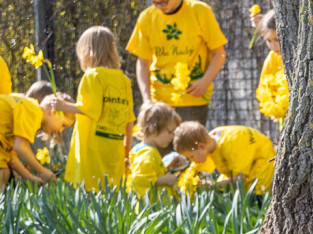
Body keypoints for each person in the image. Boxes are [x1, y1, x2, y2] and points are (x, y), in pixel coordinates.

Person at [54, 27, 135, 191]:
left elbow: (89, 108)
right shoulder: (123, 80)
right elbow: (129, 120)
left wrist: (62, 106)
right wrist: (127, 150)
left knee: (90, 191)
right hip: (114, 146)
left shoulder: (92, 76)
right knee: (111, 192)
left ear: (87, 52)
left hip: (92, 148)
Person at [127, 0, 227, 130]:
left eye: (163, 2)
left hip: (192, 99)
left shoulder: (200, 11)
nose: (159, 6)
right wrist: (147, 100)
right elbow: (142, 62)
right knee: (158, 150)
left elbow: (219, 54)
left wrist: (205, 82)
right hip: (159, 102)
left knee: (188, 149)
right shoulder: (146, 17)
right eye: (155, 2)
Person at [173, 121, 275, 194]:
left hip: (262, 158)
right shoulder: (210, 142)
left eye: (191, 157)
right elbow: (195, 168)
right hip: (241, 163)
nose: (192, 161)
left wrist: (212, 186)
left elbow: (239, 178)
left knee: (255, 194)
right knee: (223, 190)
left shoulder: (230, 145)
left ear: (201, 146)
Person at [0, 93, 74, 189]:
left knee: (4, 172)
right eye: (63, 125)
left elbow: (11, 157)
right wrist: (42, 171)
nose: (60, 130)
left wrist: (31, 178)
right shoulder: (33, 112)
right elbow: (20, 147)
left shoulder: (28, 111)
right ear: (54, 112)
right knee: (3, 174)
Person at [130, 101, 184, 197]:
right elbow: (139, 179)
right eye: (170, 131)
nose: (172, 136)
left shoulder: (146, 150)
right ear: (153, 128)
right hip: (150, 206)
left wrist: (169, 168)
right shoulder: (147, 153)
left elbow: (150, 173)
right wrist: (166, 180)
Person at [253, 9, 288, 124]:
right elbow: (265, 87)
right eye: (268, 41)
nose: (273, 46)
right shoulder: (273, 58)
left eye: (277, 40)